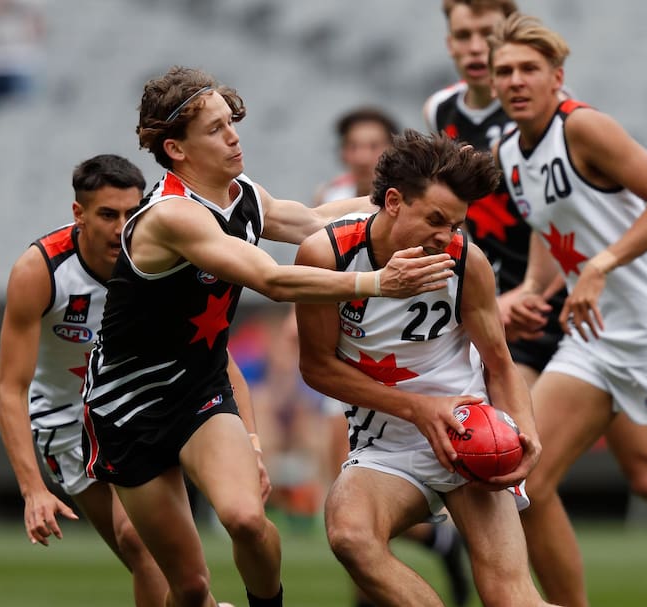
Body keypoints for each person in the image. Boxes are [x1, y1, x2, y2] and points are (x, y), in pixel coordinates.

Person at [428, 3, 647, 606]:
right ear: (451, 43)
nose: (489, 59)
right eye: (467, 36)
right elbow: (543, 222)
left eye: (501, 46)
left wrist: (594, 268)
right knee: (522, 476)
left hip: (626, 323)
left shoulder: (571, 123)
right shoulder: (469, 126)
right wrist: (524, 290)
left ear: (553, 72)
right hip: (564, 320)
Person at [79, 66, 456, 607]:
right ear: (176, 149)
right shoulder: (172, 216)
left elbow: (312, 221)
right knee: (188, 588)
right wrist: (378, 282)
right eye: (214, 129)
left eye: (231, 123)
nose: (233, 135)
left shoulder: (244, 196)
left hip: (198, 390)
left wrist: (408, 204)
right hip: (128, 405)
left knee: (246, 520)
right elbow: (272, 280)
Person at [295, 129, 554, 607]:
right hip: (386, 445)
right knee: (350, 535)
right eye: (436, 219)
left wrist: (526, 431)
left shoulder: (465, 261)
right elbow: (317, 368)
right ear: (393, 201)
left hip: (468, 437)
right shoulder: (326, 256)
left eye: (456, 224)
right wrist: (417, 409)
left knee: (510, 597)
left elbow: (499, 363)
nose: (447, 237)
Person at [315, 105, 472, 607]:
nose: (362, 153)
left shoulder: (448, 234)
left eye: (371, 144)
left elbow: (494, 347)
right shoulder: (330, 209)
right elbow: (290, 259)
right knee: (349, 523)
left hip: (442, 400)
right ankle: (432, 545)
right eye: (353, 145)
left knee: (510, 590)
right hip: (355, 366)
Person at [0, 155, 172, 606]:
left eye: (132, 215)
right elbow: (9, 389)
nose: (122, 228)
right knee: (146, 555)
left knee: (140, 542)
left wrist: (247, 436)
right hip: (66, 425)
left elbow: (211, 349)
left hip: (140, 414)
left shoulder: (160, 261)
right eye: (107, 215)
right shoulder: (40, 271)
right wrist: (33, 490)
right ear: (79, 214)